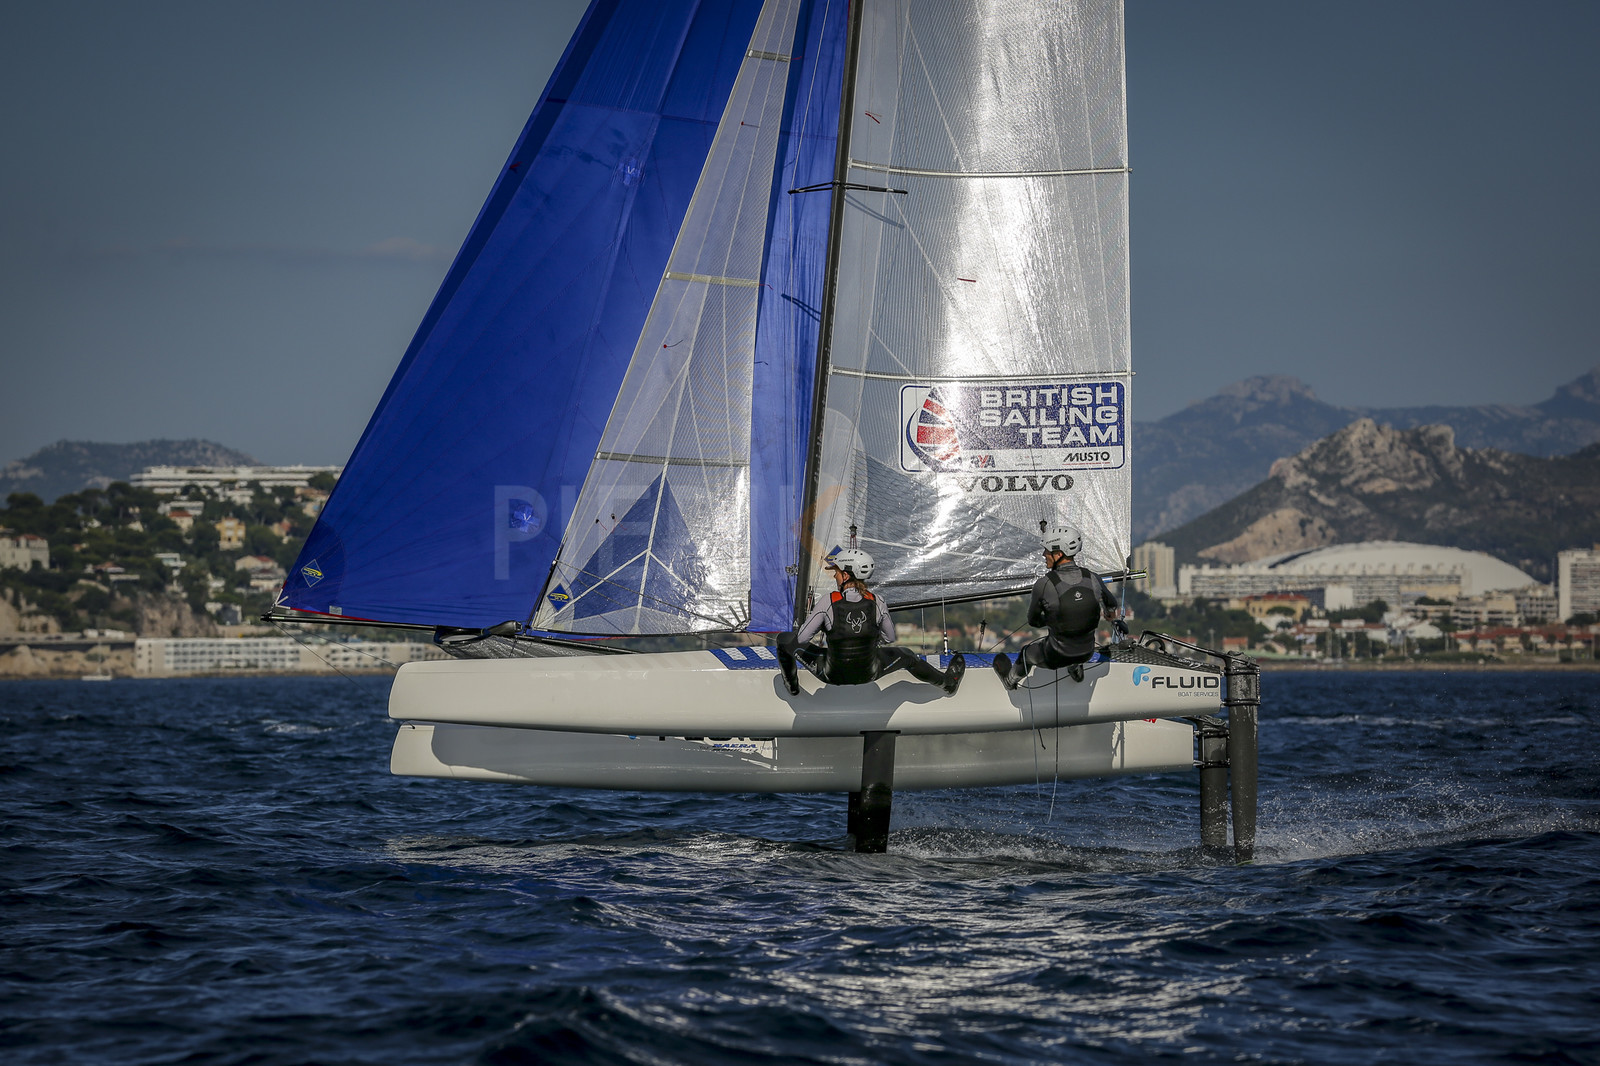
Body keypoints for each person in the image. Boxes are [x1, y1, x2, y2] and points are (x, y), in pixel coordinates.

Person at [776, 547, 965, 697]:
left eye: (837, 572)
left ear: (847, 575)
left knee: (784, 640)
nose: (834, 576)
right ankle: (948, 684)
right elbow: (890, 638)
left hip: (830, 675)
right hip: (871, 673)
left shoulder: (828, 601)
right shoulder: (877, 601)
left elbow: (801, 638)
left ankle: (792, 688)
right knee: (907, 656)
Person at [993, 523, 1124, 688]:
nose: (1043, 554)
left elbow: (1033, 621)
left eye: (1047, 551)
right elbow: (1111, 605)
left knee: (1026, 653)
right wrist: (1108, 613)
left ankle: (1009, 682)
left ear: (1059, 554)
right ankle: (1075, 669)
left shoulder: (1044, 584)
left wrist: (1053, 619)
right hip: (1086, 653)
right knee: (1075, 637)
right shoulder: (1093, 578)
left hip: (1055, 656)